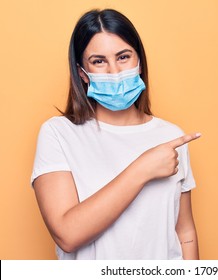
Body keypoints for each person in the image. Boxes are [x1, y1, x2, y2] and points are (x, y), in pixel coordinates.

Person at [31, 8, 200, 260]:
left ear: (139, 62)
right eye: (98, 61)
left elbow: (184, 231)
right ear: (81, 73)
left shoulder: (171, 136)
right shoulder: (58, 134)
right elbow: (67, 234)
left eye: (123, 57)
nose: (114, 71)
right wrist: (143, 168)